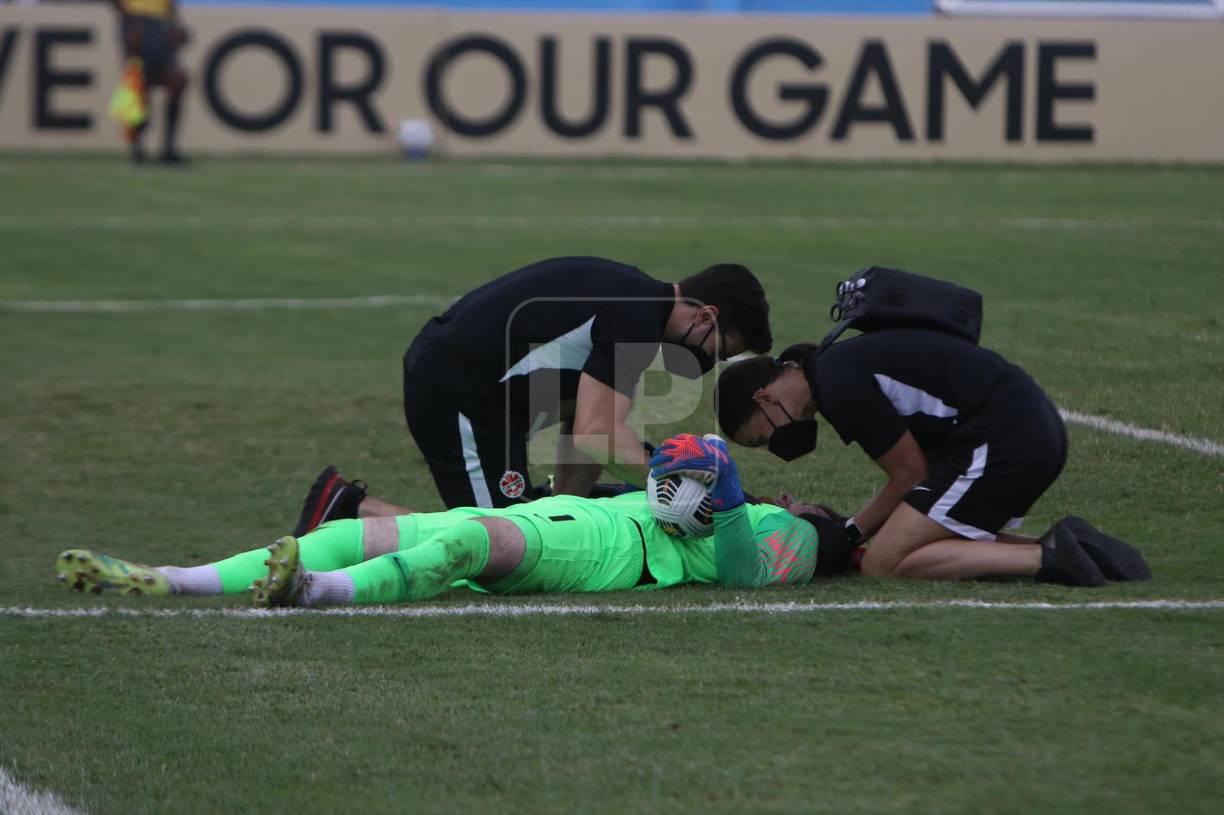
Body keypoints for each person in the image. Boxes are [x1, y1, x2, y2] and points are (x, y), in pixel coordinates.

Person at [55, 438, 855, 607]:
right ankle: (169, 577)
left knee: (471, 543)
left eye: (802, 502)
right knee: (367, 533)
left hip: (608, 554)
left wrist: (736, 485)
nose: (795, 499)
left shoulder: (799, 537)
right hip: (571, 514)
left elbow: (747, 576)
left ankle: (315, 593)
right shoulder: (729, 505)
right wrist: (673, 465)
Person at [292, 257, 773, 536]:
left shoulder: (636, 304)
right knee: (506, 544)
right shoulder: (636, 318)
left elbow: (581, 421)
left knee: (546, 528)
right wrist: (673, 493)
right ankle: (351, 509)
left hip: (476, 394)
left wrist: (567, 507)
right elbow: (596, 434)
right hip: (458, 393)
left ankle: (552, 510)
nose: (707, 362)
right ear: (705, 316)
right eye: (718, 350)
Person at [705, 332, 1151, 587]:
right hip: (1020, 430)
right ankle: (1072, 542)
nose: (775, 446)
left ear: (765, 396)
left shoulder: (839, 384)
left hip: (1005, 440)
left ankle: (1048, 559)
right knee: (910, 545)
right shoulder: (836, 369)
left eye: (762, 438)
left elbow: (909, 475)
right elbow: (923, 471)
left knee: (884, 563)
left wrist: (850, 533)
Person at [109, 0, 188, 164]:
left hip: (161, 25)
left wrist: (175, 24)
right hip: (137, 22)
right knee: (139, 87)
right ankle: (136, 149)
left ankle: (168, 149)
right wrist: (127, 19)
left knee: (177, 82)